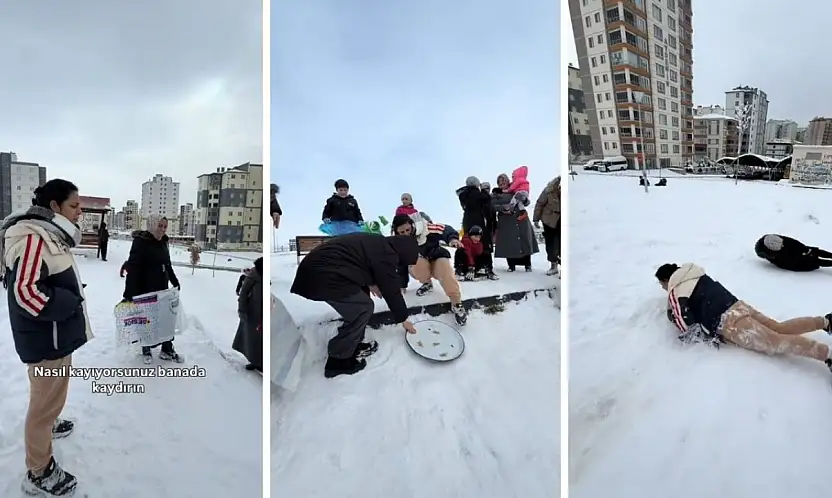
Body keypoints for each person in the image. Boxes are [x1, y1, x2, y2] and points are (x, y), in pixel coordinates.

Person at [0, 179, 92, 496]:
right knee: (42, 406)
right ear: (55, 207)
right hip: (46, 343)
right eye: (74, 205)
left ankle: (49, 423)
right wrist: (68, 302)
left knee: (50, 397)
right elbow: (26, 293)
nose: (81, 211)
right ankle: (39, 471)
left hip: (55, 337)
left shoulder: (50, 235)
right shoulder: (33, 239)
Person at [655, 262, 832, 372]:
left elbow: (683, 319)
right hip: (737, 306)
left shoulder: (675, 288)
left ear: (665, 280)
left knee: (774, 342)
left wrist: (678, 322)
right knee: (779, 328)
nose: (664, 288)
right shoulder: (694, 273)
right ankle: (825, 322)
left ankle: (827, 355)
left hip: (728, 320)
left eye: (662, 284)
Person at [290, 233, 419, 378]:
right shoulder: (387, 254)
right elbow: (391, 291)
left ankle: (352, 344)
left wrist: (371, 283)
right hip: (322, 276)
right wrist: (403, 318)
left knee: (361, 304)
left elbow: (359, 264)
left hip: (318, 272)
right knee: (363, 308)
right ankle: (338, 361)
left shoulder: (379, 243)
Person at [123, 215, 184, 363]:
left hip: (162, 288)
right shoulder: (141, 242)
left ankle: (167, 349)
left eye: (165, 226)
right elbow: (133, 268)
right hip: (145, 288)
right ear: (152, 225)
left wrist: (174, 281)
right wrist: (130, 293)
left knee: (165, 319)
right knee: (148, 320)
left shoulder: (163, 242)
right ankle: (146, 348)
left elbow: (167, 265)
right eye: (160, 226)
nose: (162, 229)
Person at [391, 214, 469, 325]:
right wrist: (402, 284)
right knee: (414, 260)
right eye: (402, 232)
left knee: (445, 271)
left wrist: (452, 239)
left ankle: (457, 303)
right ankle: (427, 283)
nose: (406, 234)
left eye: (408, 230)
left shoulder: (426, 228)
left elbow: (444, 229)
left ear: (412, 225)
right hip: (421, 264)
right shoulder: (400, 243)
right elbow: (401, 264)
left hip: (437, 258)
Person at [492, 173, 539, 271]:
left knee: (524, 241)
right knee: (509, 243)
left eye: (504, 181)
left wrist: (524, 199)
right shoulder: (496, 194)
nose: (502, 183)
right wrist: (503, 208)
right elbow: (491, 207)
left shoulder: (515, 189)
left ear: (508, 181)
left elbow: (526, 202)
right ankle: (511, 265)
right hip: (506, 222)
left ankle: (527, 264)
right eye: (500, 182)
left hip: (521, 220)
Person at [233, 257, 263, 372]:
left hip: (265, 311)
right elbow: (243, 293)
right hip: (253, 313)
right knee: (253, 339)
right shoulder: (254, 274)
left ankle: (261, 362)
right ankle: (255, 361)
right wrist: (242, 310)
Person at [754, 234, 832, 272]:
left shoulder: (774, 238)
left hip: (791, 250)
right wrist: (802, 259)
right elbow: (785, 263)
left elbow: (791, 241)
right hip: (792, 262)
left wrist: (804, 249)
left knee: (814, 251)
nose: (782, 245)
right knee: (814, 261)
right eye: (780, 247)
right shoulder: (767, 254)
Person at [533, 176, 561, 276]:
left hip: (562, 220)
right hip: (549, 219)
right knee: (551, 244)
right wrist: (536, 219)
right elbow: (539, 203)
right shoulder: (549, 189)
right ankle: (553, 266)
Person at [456, 176, 493, 251]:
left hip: (466, 220)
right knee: (479, 241)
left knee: (468, 240)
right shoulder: (476, 193)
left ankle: (469, 257)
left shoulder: (463, 194)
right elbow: (486, 200)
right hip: (477, 219)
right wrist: (484, 191)